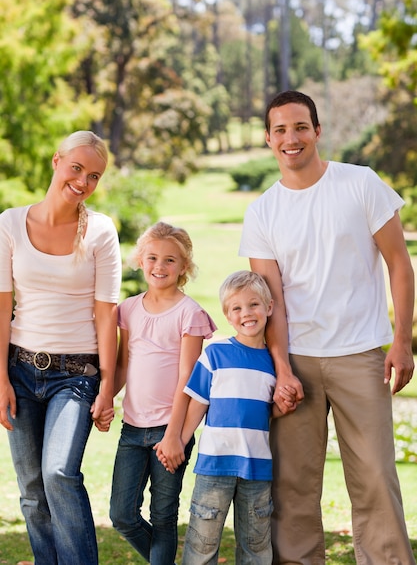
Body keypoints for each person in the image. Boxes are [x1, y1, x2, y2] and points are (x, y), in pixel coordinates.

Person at [239, 89, 416, 565]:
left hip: (361, 355)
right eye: (280, 130)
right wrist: (282, 369)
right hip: (296, 360)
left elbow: (400, 264)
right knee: (293, 486)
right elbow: (268, 301)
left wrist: (401, 342)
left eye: (300, 127)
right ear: (268, 139)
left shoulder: (360, 184)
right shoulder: (262, 212)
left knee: (376, 478)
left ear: (317, 131)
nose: (291, 138)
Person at [0, 130, 122, 565]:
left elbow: (107, 314)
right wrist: (0, 380)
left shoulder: (101, 231)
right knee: (32, 488)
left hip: (77, 375)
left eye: (94, 175)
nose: (83, 181)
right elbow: (2, 309)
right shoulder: (10, 223)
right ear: (57, 161)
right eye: (77, 168)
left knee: (58, 473)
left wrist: (108, 385)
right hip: (19, 369)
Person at [109, 221, 216, 565]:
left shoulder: (190, 313)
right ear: (140, 260)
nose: (160, 266)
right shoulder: (127, 309)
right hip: (131, 431)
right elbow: (124, 365)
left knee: (163, 517)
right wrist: (104, 398)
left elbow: (188, 377)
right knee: (122, 515)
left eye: (170, 260)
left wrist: (174, 437)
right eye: (153, 257)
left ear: (184, 267)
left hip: (170, 431)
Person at [172, 270, 292, 565]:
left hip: (257, 468)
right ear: (227, 315)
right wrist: (180, 441)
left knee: (256, 548)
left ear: (269, 308)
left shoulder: (275, 363)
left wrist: (282, 408)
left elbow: (267, 412)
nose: (246, 313)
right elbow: (198, 404)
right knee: (202, 545)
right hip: (214, 465)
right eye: (236, 308)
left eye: (253, 305)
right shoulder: (215, 353)